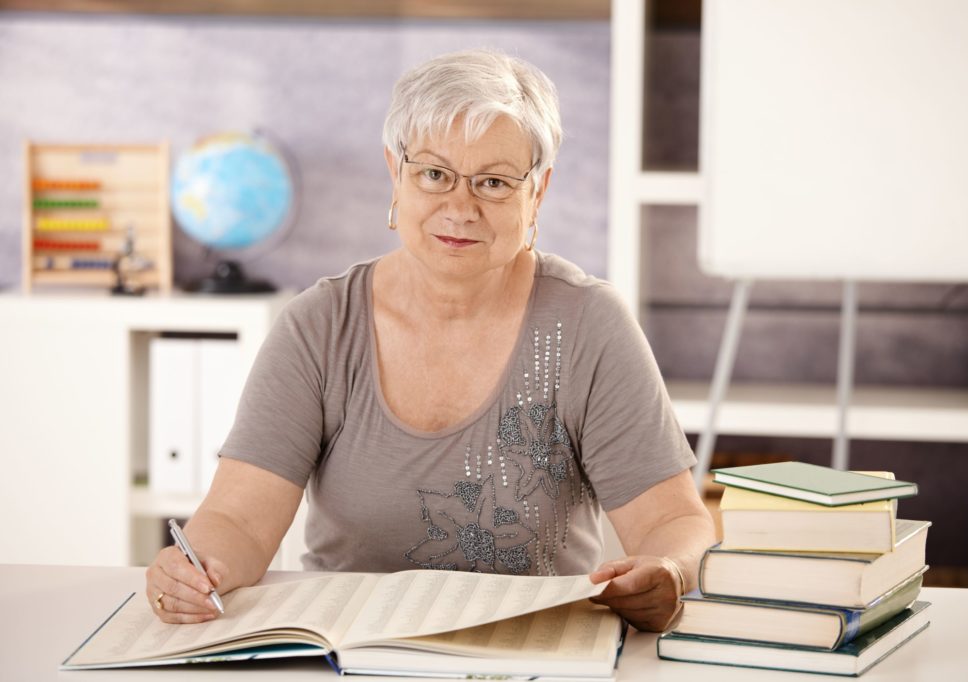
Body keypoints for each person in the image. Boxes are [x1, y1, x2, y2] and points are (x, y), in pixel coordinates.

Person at [146, 48, 716, 633]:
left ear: (538, 192)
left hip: (536, 655)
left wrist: (668, 569)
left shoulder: (590, 326)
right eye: (435, 174)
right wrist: (197, 571)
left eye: (494, 183)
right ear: (396, 172)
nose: (460, 208)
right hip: (350, 654)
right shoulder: (318, 326)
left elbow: (673, 521)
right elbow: (237, 521)